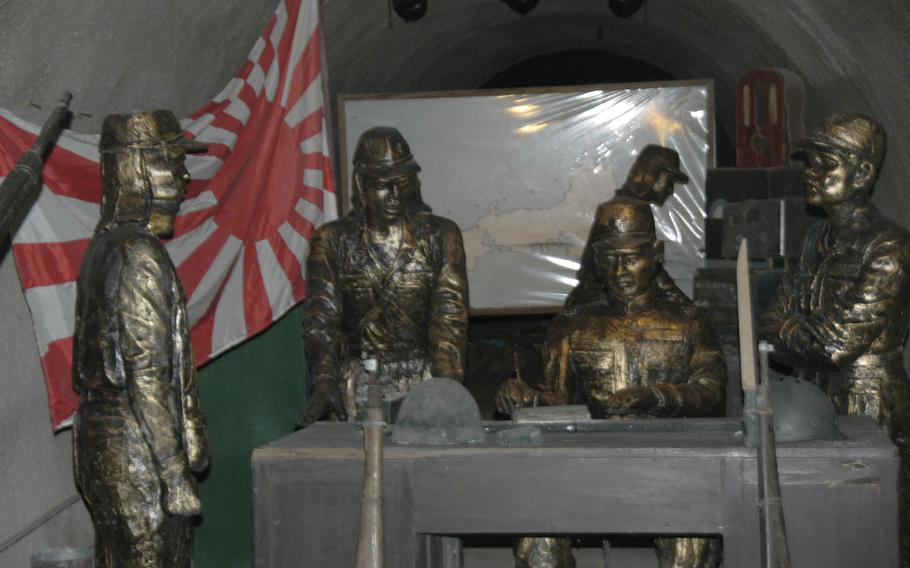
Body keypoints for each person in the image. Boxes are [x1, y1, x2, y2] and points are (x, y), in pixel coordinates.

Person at [496, 196, 725, 568]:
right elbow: (558, 400)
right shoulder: (572, 326)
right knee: (536, 546)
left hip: (667, 469)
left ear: (656, 254)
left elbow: (711, 391)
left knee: (690, 547)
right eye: (609, 259)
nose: (620, 271)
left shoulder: (689, 324)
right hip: (587, 466)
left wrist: (656, 396)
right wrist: (527, 398)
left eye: (631, 257)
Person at [759, 112, 910, 565]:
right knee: (814, 516)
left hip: (868, 399)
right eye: (811, 162)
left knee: (871, 524)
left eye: (826, 163)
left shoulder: (889, 246)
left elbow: (837, 345)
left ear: (862, 173)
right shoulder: (814, 239)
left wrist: (790, 331)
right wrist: (793, 331)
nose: (812, 172)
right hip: (811, 393)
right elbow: (769, 323)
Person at [72, 110, 209, 568]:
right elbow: (148, 372)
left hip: (104, 437)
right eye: (171, 162)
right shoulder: (139, 253)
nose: (184, 177)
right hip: (135, 444)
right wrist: (174, 473)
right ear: (137, 167)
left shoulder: (104, 246)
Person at [296, 126, 468, 427]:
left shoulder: (441, 237)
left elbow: (449, 319)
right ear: (362, 185)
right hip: (360, 379)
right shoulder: (332, 242)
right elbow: (322, 319)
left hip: (423, 377)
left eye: (402, 183)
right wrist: (325, 379)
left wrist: (448, 386)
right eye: (382, 185)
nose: (394, 196)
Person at [566, 144, 690, 310]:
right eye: (669, 180)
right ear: (656, 176)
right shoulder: (629, 208)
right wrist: (680, 302)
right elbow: (652, 266)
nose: (670, 190)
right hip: (602, 302)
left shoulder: (627, 205)